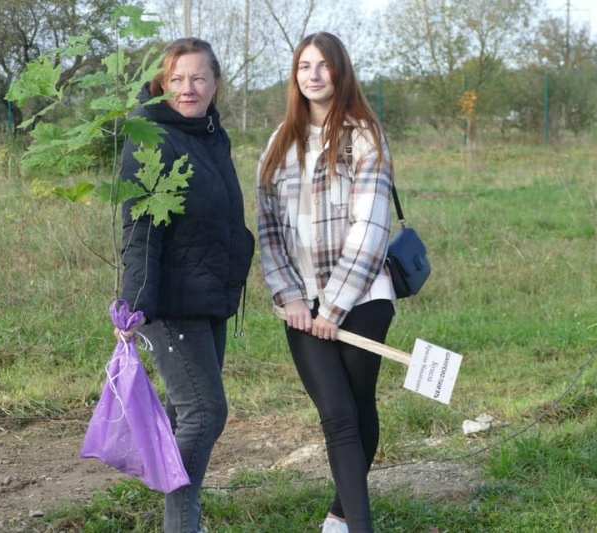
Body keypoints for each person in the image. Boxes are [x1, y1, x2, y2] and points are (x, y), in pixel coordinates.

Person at [257, 32, 395, 533]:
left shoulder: (364, 136)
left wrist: (333, 307)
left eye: (323, 66)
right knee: (335, 414)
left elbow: (372, 227)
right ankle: (358, 524)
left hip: (362, 299)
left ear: (340, 72)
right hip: (299, 306)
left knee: (358, 406)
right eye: (303, 66)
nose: (312, 75)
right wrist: (290, 296)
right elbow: (268, 227)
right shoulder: (280, 142)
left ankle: (344, 516)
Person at [116, 37, 255, 533]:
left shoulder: (212, 136)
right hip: (171, 303)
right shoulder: (151, 136)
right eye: (176, 79)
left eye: (198, 77)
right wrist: (133, 305)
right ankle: (182, 520)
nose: (188, 88)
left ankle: (176, 514)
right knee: (205, 413)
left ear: (215, 83)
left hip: (210, 297)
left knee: (184, 414)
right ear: (161, 84)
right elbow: (139, 231)